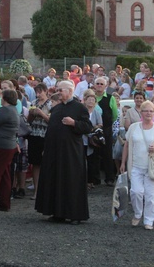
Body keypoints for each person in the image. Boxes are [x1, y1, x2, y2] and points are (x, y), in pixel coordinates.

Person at [35, 80, 92, 224]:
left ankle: (75, 214)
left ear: (70, 91)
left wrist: (74, 123)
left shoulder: (80, 108)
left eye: (61, 90)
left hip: (71, 152)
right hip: (54, 152)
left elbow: (87, 127)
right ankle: (57, 212)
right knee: (55, 180)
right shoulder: (56, 108)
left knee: (71, 181)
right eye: (58, 89)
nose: (58, 92)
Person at [120, 100, 154, 230]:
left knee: (151, 196)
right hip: (136, 165)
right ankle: (137, 213)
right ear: (141, 112)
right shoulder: (134, 127)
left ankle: (149, 220)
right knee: (136, 192)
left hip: (152, 166)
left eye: (151, 111)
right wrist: (123, 162)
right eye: (146, 110)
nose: (149, 113)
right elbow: (127, 144)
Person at [27, 82, 51, 200]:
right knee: (35, 163)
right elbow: (28, 121)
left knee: (46, 163)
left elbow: (51, 121)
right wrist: (31, 114)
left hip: (45, 135)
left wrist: (41, 114)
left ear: (46, 91)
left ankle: (46, 191)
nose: (38, 94)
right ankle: (36, 191)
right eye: (36, 92)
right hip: (34, 135)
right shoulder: (33, 103)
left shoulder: (51, 104)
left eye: (40, 92)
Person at [94, 77, 118, 186]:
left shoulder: (110, 98)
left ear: (105, 86)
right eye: (97, 83)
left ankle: (109, 178)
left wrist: (107, 125)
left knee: (107, 154)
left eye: (101, 84)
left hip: (106, 129)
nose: (99, 85)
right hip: (93, 130)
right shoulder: (91, 97)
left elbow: (114, 115)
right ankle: (94, 179)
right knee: (94, 154)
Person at [82, 89, 103, 188]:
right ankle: (82, 181)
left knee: (91, 162)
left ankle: (90, 181)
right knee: (81, 162)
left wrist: (93, 128)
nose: (91, 101)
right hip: (82, 139)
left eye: (92, 100)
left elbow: (100, 124)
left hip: (92, 141)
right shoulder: (81, 112)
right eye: (89, 99)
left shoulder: (96, 113)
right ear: (85, 100)